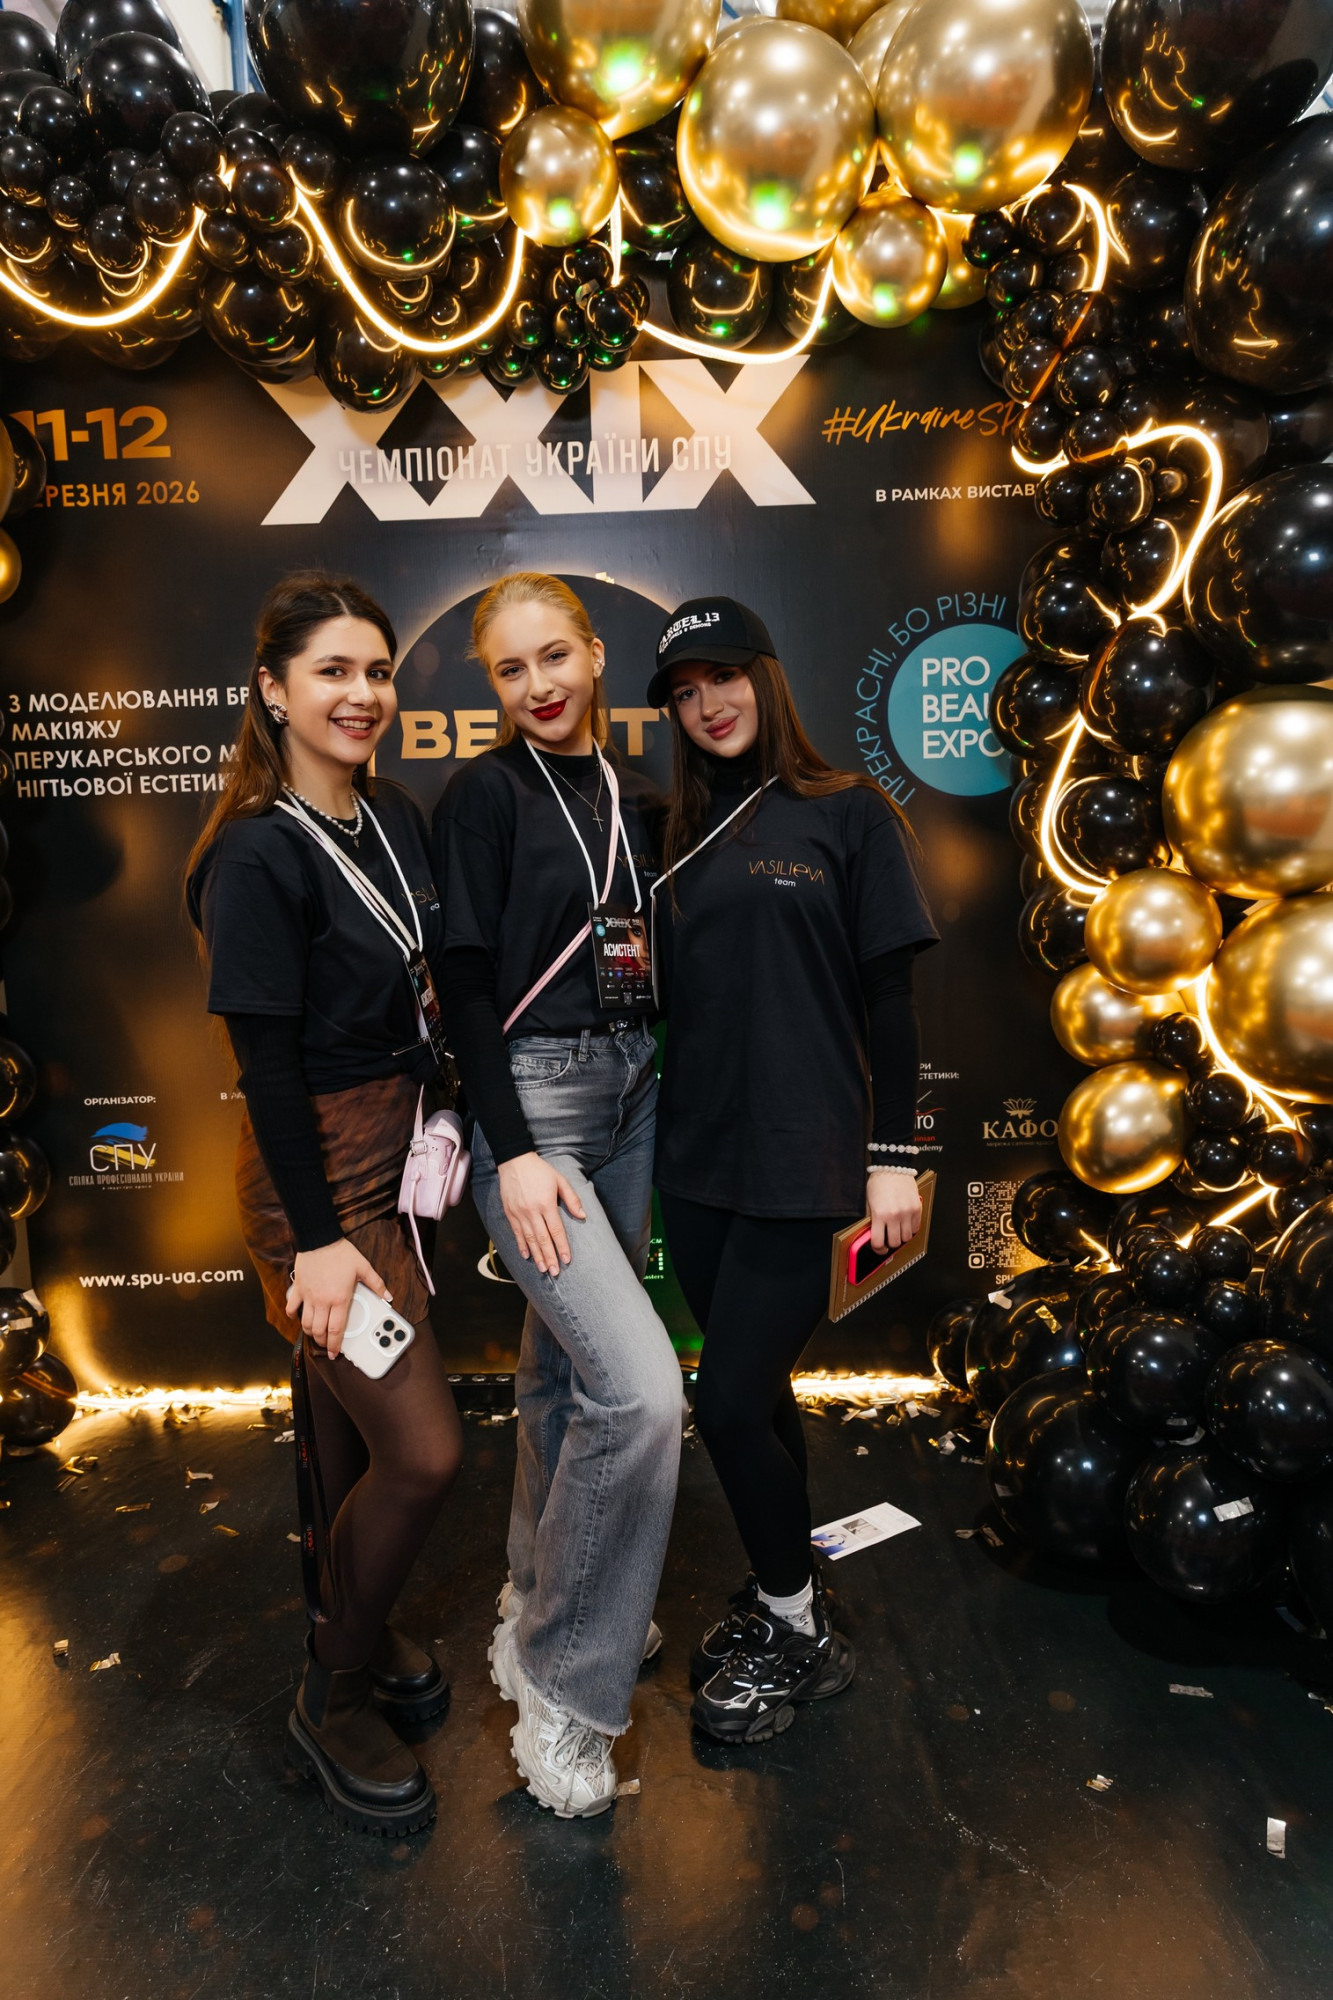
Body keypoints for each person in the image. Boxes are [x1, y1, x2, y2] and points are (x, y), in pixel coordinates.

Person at [186, 573, 462, 1838]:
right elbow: (267, 1070)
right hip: (316, 1180)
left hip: (400, 1154)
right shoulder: (256, 849)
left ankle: (359, 1614)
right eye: (332, 671)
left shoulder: (392, 814)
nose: (362, 695)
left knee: (346, 1433)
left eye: (377, 670)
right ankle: (332, 1689)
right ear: (273, 689)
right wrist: (319, 1241)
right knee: (424, 1449)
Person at [647, 596, 938, 1746]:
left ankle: (795, 1626)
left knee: (720, 1402)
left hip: (805, 1155)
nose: (707, 703)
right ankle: (792, 1586)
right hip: (695, 1158)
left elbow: (890, 1000)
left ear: (765, 677)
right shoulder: (670, 833)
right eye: (684, 690)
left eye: (724, 676)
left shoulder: (849, 811)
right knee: (759, 1394)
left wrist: (893, 1157)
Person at [433, 572, 682, 1820]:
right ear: (493, 683)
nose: (537, 684)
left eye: (553, 657)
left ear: (593, 655)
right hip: (535, 1103)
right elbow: (465, 982)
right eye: (509, 668)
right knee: (641, 1392)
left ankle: (535, 1591)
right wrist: (514, 1142)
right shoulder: (483, 795)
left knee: (561, 1370)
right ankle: (567, 1682)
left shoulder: (636, 797)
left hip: (635, 1085)